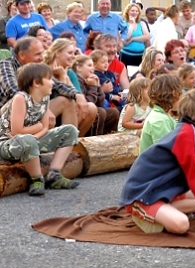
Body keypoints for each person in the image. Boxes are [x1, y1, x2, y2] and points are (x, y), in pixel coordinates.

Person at [119, 88, 195, 235]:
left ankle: (169, 208)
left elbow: (190, 169)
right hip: (143, 193)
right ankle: (142, 212)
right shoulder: (190, 135)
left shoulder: (191, 130)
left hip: (164, 187)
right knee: (181, 225)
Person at [0, 63, 80, 196]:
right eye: (49, 79)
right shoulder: (20, 98)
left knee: (70, 131)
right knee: (27, 139)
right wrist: (37, 129)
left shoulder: (44, 98)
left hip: (31, 139)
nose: (52, 83)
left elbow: (45, 127)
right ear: (36, 83)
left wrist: (36, 135)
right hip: (8, 144)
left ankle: (54, 174)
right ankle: (37, 179)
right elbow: (16, 132)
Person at [72, 54, 119, 135]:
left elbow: (100, 103)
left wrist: (98, 86)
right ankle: (95, 139)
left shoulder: (89, 79)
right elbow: (87, 103)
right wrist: (93, 87)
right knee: (100, 112)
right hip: (78, 113)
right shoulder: (76, 81)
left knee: (113, 112)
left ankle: (109, 137)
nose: (93, 68)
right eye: (89, 65)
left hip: (90, 110)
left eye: (93, 66)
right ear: (79, 68)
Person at [139, 74, 183, 153]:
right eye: (180, 94)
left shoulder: (163, 115)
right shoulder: (160, 120)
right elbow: (164, 153)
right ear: (174, 94)